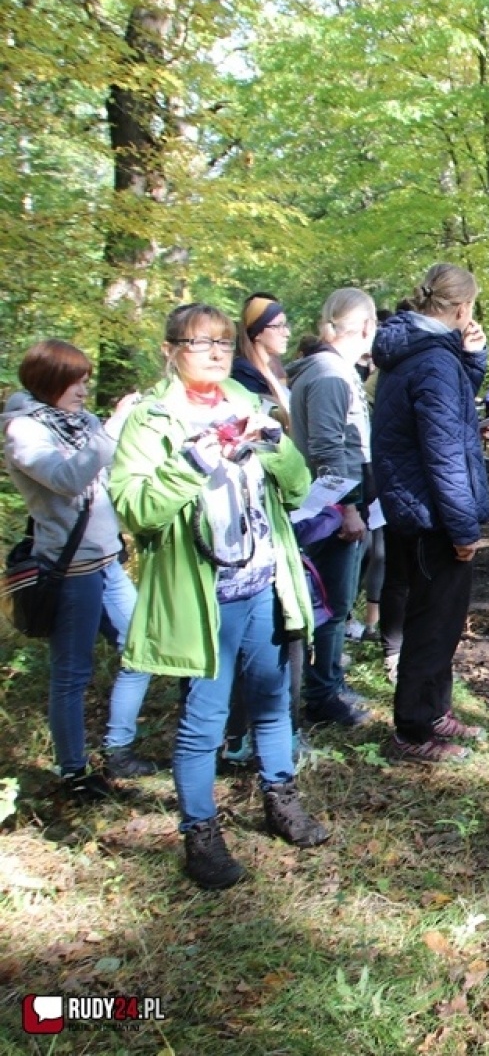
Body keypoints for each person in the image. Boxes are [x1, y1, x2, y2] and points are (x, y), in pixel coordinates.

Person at [110, 303, 329, 889]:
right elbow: (136, 511)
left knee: (272, 698)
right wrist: (194, 463)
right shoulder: (152, 419)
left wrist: (275, 443)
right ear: (169, 350)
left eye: (223, 343)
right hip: (203, 593)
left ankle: (281, 799)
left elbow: (298, 486)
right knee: (204, 718)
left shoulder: (245, 400)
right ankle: (200, 833)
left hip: (261, 579)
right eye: (198, 343)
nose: (213, 352)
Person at [2, 340, 155, 796]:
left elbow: (107, 472)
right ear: (50, 381)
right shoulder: (23, 433)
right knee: (71, 673)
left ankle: (119, 748)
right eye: (77, 381)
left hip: (108, 563)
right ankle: (75, 773)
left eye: (87, 380)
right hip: (70, 572)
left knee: (140, 650)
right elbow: (69, 479)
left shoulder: (82, 423)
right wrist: (114, 427)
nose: (85, 390)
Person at [371, 263, 489, 763]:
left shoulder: (418, 349)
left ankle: (434, 709)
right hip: (430, 514)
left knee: (442, 618)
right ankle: (413, 733)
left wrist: (475, 357)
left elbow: (453, 406)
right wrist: (463, 528)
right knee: (432, 623)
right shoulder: (432, 361)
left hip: (412, 504)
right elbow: (444, 452)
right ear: (462, 309)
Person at [286, 287, 376, 729]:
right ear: (364, 328)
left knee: (338, 604)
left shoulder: (339, 371)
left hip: (339, 505)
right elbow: (326, 448)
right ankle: (321, 692)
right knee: (331, 604)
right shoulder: (328, 375)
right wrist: (347, 508)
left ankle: (331, 680)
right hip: (329, 511)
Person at [234, 293, 294, 422]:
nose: (287, 333)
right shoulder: (244, 374)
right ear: (257, 333)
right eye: (278, 326)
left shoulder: (269, 370)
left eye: (286, 325)